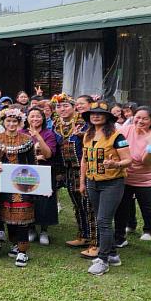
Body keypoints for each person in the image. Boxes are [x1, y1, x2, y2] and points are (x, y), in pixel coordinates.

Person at [80, 101, 132, 276]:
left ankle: (103, 260)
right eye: (92, 114)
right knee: (100, 219)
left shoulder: (118, 136)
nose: (95, 116)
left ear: (107, 117)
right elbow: (84, 160)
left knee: (103, 220)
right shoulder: (88, 134)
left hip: (112, 182)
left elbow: (128, 160)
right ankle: (113, 255)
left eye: (100, 114)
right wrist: (82, 182)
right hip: (92, 182)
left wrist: (115, 163)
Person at [113, 106, 151, 261]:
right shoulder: (125, 130)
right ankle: (120, 238)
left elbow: (147, 162)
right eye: (138, 117)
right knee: (121, 209)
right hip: (124, 177)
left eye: (145, 118)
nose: (140, 121)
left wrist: (149, 142)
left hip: (146, 181)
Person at [51, 93, 97, 257]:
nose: (62, 109)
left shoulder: (86, 122)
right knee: (77, 205)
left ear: (73, 107)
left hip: (84, 168)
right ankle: (83, 235)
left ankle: (95, 242)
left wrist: (83, 135)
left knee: (88, 204)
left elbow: (97, 139)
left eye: (66, 106)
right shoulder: (56, 124)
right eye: (59, 106)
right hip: (68, 170)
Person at [0, 108, 36, 267]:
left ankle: (23, 252)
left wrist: (34, 185)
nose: (11, 124)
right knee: (8, 215)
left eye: (14, 121)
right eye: (8, 121)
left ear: (19, 123)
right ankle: (15, 244)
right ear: (3, 122)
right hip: (3, 183)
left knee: (22, 216)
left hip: (23, 183)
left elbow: (33, 164)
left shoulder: (26, 140)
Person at [23, 107, 57, 245]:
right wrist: (36, 156)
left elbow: (48, 154)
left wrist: (38, 136)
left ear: (43, 118)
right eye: (32, 116)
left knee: (44, 201)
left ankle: (44, 230)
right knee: (28, 198)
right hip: (26, 171)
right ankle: (31, 229)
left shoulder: (48, 134)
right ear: (27, 118)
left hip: (44, 172)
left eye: (38, 116)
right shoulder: (21, 133)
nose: (35, 119)